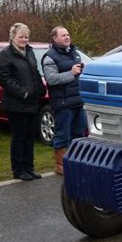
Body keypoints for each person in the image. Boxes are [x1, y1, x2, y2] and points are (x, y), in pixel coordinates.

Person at [0, 23, 45, 180]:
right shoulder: (5, 55)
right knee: (19, 136)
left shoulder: (29, 52)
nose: (24, 39)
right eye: (21, 37)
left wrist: (40, 89)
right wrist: (22, 92)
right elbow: (4, 78)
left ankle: (29, 167)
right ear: (13, 37)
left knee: (30, 136)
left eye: (26, 37)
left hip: (32, 102)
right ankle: (18, 170)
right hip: (16, 103)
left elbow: (35, 73)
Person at [42, 26, 86, 175]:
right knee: (62, 134)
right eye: (63, 35)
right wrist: (72, 73)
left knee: (79, 132)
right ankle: (60, 166)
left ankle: (75, 161)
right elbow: (52, 79)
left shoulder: (75, 53)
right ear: (54, 38)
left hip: (78, 101)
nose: (67, 37)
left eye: (68, 34)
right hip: (62, 103)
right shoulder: (49, 57)